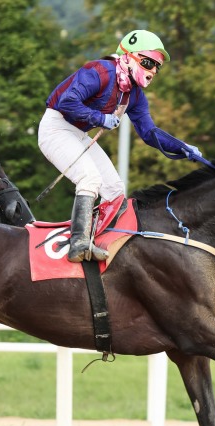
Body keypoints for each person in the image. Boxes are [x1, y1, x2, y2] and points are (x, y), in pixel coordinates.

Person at [38, 29, 202, 263]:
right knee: (90, 179)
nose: (154, 70)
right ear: (128, 56)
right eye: (149, 62)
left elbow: (149, 133)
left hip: (77, 134)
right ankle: (79, 244)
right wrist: (99, 118)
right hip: (55, 129)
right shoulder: (99, 71)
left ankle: (101, 242)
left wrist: (182, 147)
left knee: (115, 189)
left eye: (158, 66)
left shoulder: (134, 95)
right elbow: (67, 102)